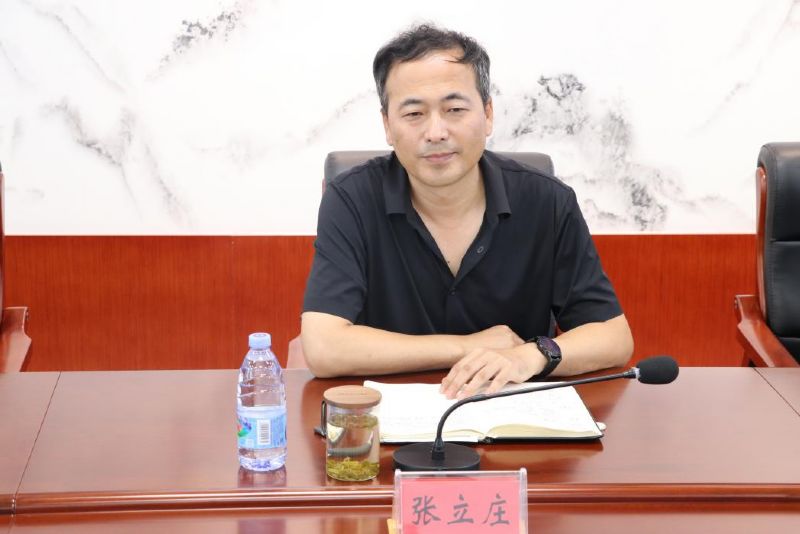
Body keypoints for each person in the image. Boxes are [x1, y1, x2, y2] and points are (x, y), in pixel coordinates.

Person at [301, 24, 633, 399]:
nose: (436, 132)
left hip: (512, 413)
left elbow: (613, 337)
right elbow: (324, 348)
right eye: (414, 113)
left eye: (455, 109)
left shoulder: (547, 201)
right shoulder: (352, 199)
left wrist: (530, 355)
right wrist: (468, 346)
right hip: (388, 416)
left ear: (488, 114)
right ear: (388, 126)